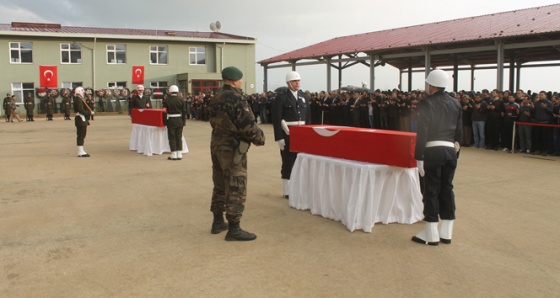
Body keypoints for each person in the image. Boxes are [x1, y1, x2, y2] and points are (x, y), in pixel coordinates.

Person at [207, 66, 265, 241]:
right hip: (232, 148)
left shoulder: (215, 97)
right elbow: (247, 125)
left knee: (219, 183)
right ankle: (234, 228)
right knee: (236, 185)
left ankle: (218, 221)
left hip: (217, 144)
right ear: (234, 81)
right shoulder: (236, 98)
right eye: (240, 79)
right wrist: (260, 138)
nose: (241, 82)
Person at [412, 69, 462, 246]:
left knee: (431, 190)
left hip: (433, 151)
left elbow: (423, 131)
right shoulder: (456, 103)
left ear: (431, 84)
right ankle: (446, 232)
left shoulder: (427, 103)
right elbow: (458, 132)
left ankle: (431, 233)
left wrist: (419, 156)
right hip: (450, 152)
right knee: (447, 189)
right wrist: (456, 152)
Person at [271, 71, 310, 199]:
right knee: (288, 160)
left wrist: (309, 134)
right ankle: (287, 190)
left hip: (302, 133)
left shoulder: (304, 96)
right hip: (288, 133)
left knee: (301, 160)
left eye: (298, 80)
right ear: (288, 83)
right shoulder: (281, 98)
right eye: (295, 81)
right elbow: (277, 119)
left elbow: (308, 118)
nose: (297, 83)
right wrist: (279, 137)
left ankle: (299, 187)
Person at [163, 85, 186, 160]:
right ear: (177, 91)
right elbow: (184, 112)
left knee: (172, 137)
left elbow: (164, 112)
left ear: (170, 92)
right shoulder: (181, 100)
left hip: (171, 120)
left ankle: (173, 154)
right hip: (179, 120)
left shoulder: (167, 100)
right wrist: (184, 122)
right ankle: (179, 153)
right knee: (179, 137)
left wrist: (165, 122)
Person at [73, 87, 93, 157]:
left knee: (82, 135)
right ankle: (80, 151)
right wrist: (89, 112)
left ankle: (81, 150)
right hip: (80, 119)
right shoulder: (78, 99)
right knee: (81, 135)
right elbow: (81, 110)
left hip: (82, 119)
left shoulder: (79, 99)